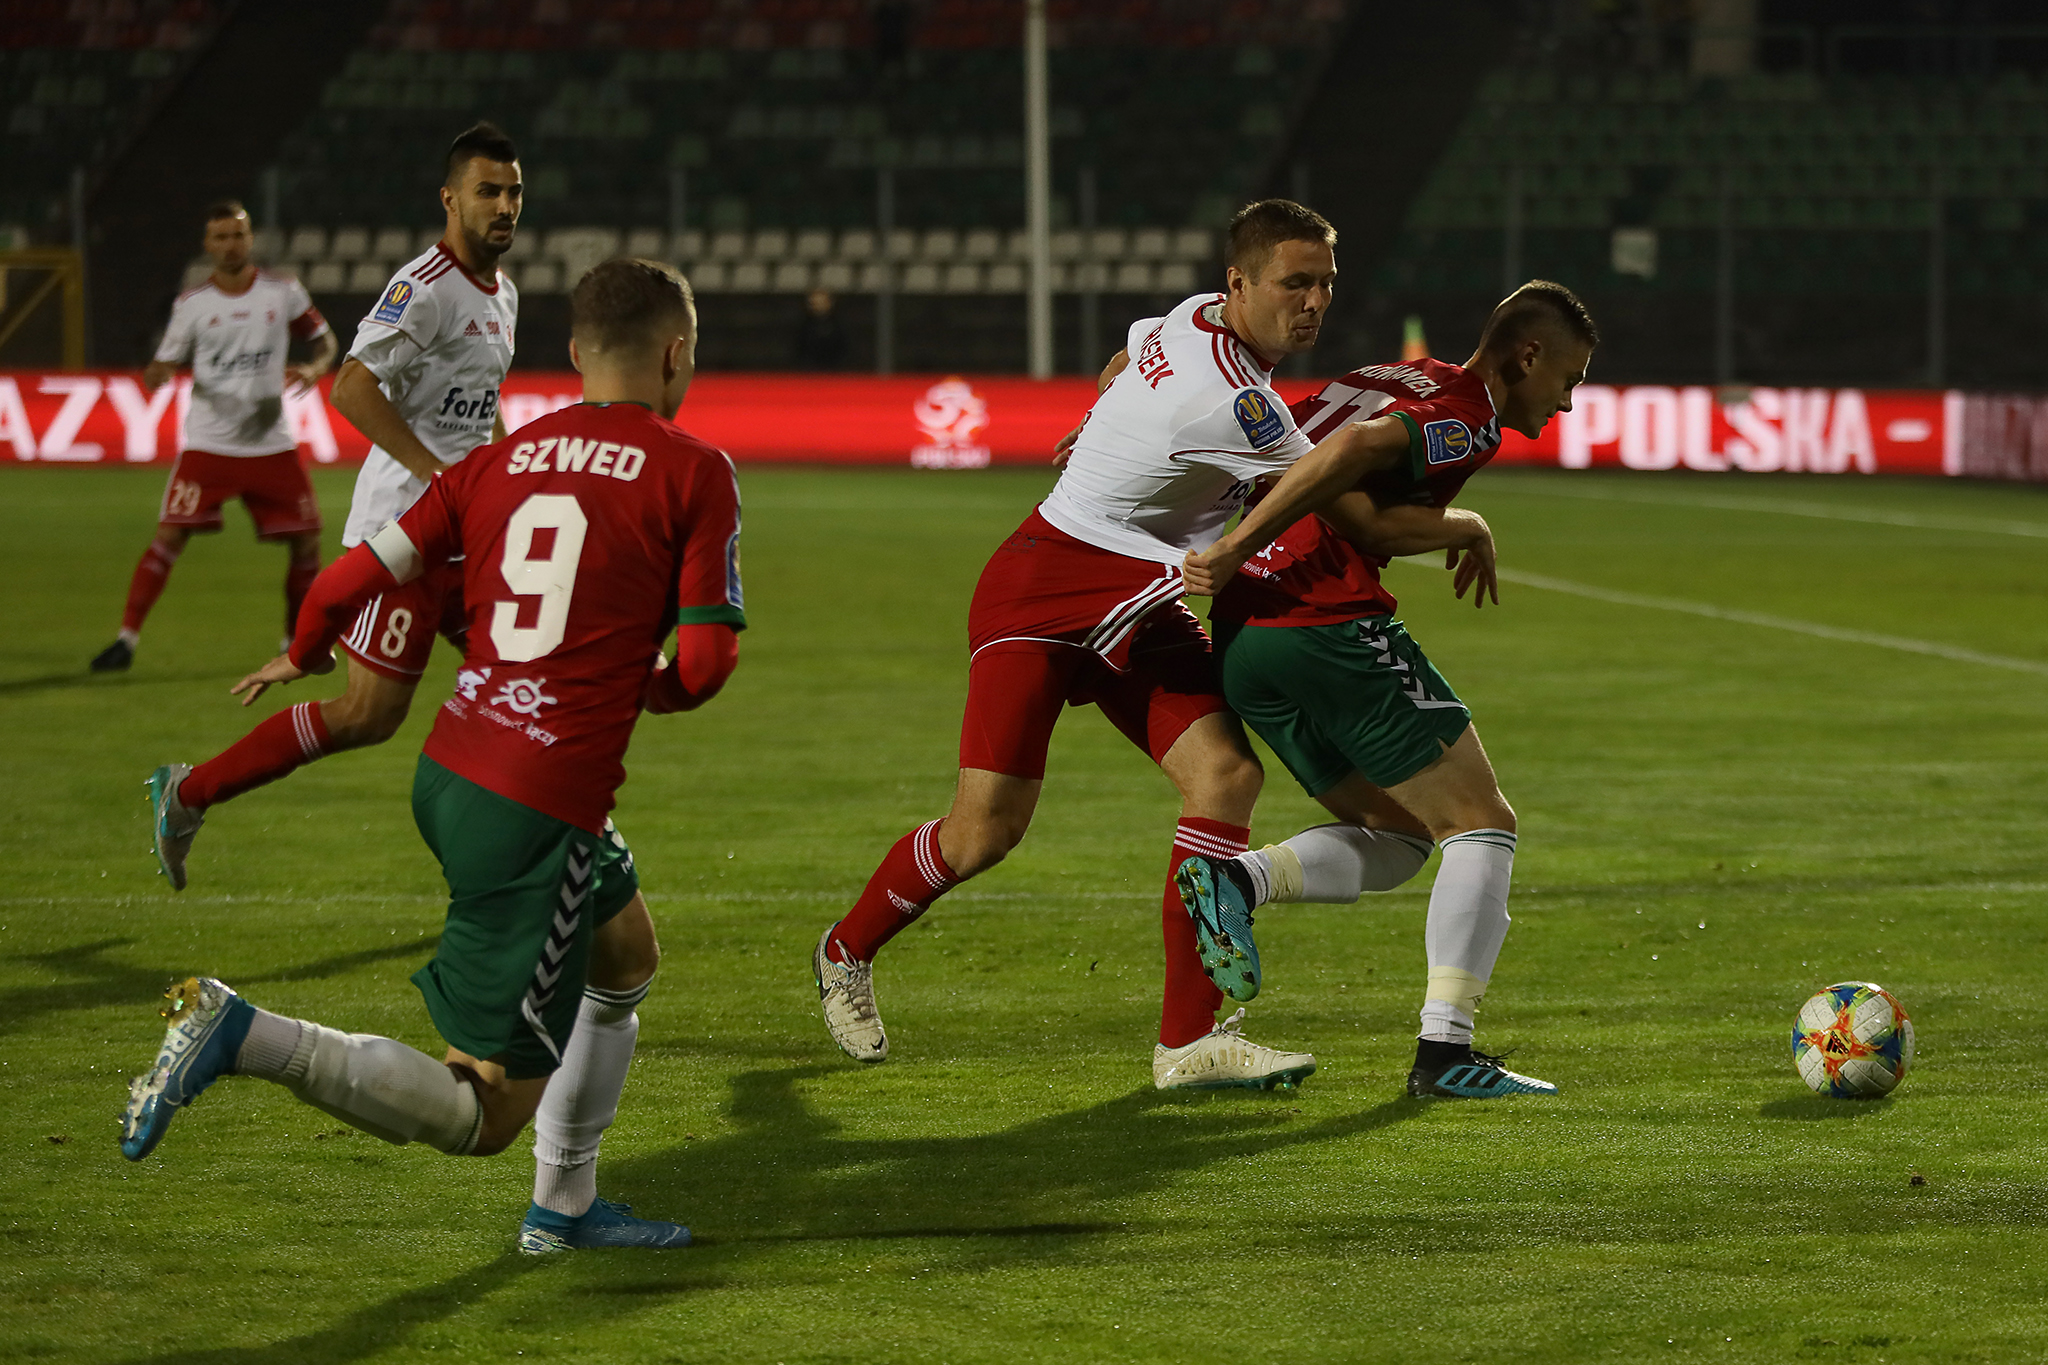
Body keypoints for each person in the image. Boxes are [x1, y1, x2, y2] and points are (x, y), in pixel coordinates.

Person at [119, 257, 746, 1253]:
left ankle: (565, 1207)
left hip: (455, 764)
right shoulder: (694, 469)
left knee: (625, 953)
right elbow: (705, 665)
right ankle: (244, 1034)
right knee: (482, 1110)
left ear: (574, 353)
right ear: (676, 354)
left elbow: (341, 585)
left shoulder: (491, 464)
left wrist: (306, 651)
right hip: (539, 803)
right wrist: (643, 680)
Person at [812, 199, 1340, 1092]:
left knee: (1225, 776)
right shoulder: (1236, 400)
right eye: (1296, 283)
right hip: (1045, 584)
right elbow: (1331, 495)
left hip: (1138, 597)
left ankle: (1187, 1044)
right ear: (1240, 283)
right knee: (985, 831)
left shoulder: (1195, 316)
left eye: (1325, 283)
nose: (1315, 301)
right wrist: (1454, 518)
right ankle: (845, 949)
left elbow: (1128, 357)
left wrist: (1103, 422)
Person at [1177, 281, 1599, 1099]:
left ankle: (1240, 880)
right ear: (1528, 356)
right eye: (1569, 379)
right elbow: (1347, 454)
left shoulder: (1399, 374)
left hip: (1248, 638)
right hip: (1324, 626)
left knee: (1403, 834)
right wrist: (1233, 546)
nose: (1568, 402)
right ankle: (1446, 1054)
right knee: (1482, 822)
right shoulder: (1465, 415)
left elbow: (1287, 439)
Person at [143, 122, 524, 891]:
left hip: (467, 537)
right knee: (366, 716)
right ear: (450, 199)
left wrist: (503, 478)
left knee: (525, 681)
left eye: (514, 192)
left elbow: (481, 405)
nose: (505, 206)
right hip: (402, 535)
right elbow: (350, 386)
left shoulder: (503, 292)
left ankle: (523, 865)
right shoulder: (424, 286)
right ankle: (187, 792)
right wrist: (436, 476)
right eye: (488, 191)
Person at [89, 201, 336, 673]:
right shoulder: (193, 305)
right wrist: (157, 373)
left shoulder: (282, 291)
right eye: (221, 237)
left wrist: (315, 367)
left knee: (307, 542)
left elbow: (325, 341)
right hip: (210, 445)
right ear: (208, 245)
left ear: (250, 239)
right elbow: (164, 363)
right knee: (169, 536)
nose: (230, 245)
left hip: (270, 444)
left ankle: (295, 645)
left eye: (238, 235)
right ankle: (125, 640)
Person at [793, 289, 847, 369]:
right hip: (808, 370)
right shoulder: (802, 326)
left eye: (822, 302)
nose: (818, 307)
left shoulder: (839, 325)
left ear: (830, 303)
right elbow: (799, 350)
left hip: (835, 370)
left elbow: (844, 350)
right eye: (814, 303)